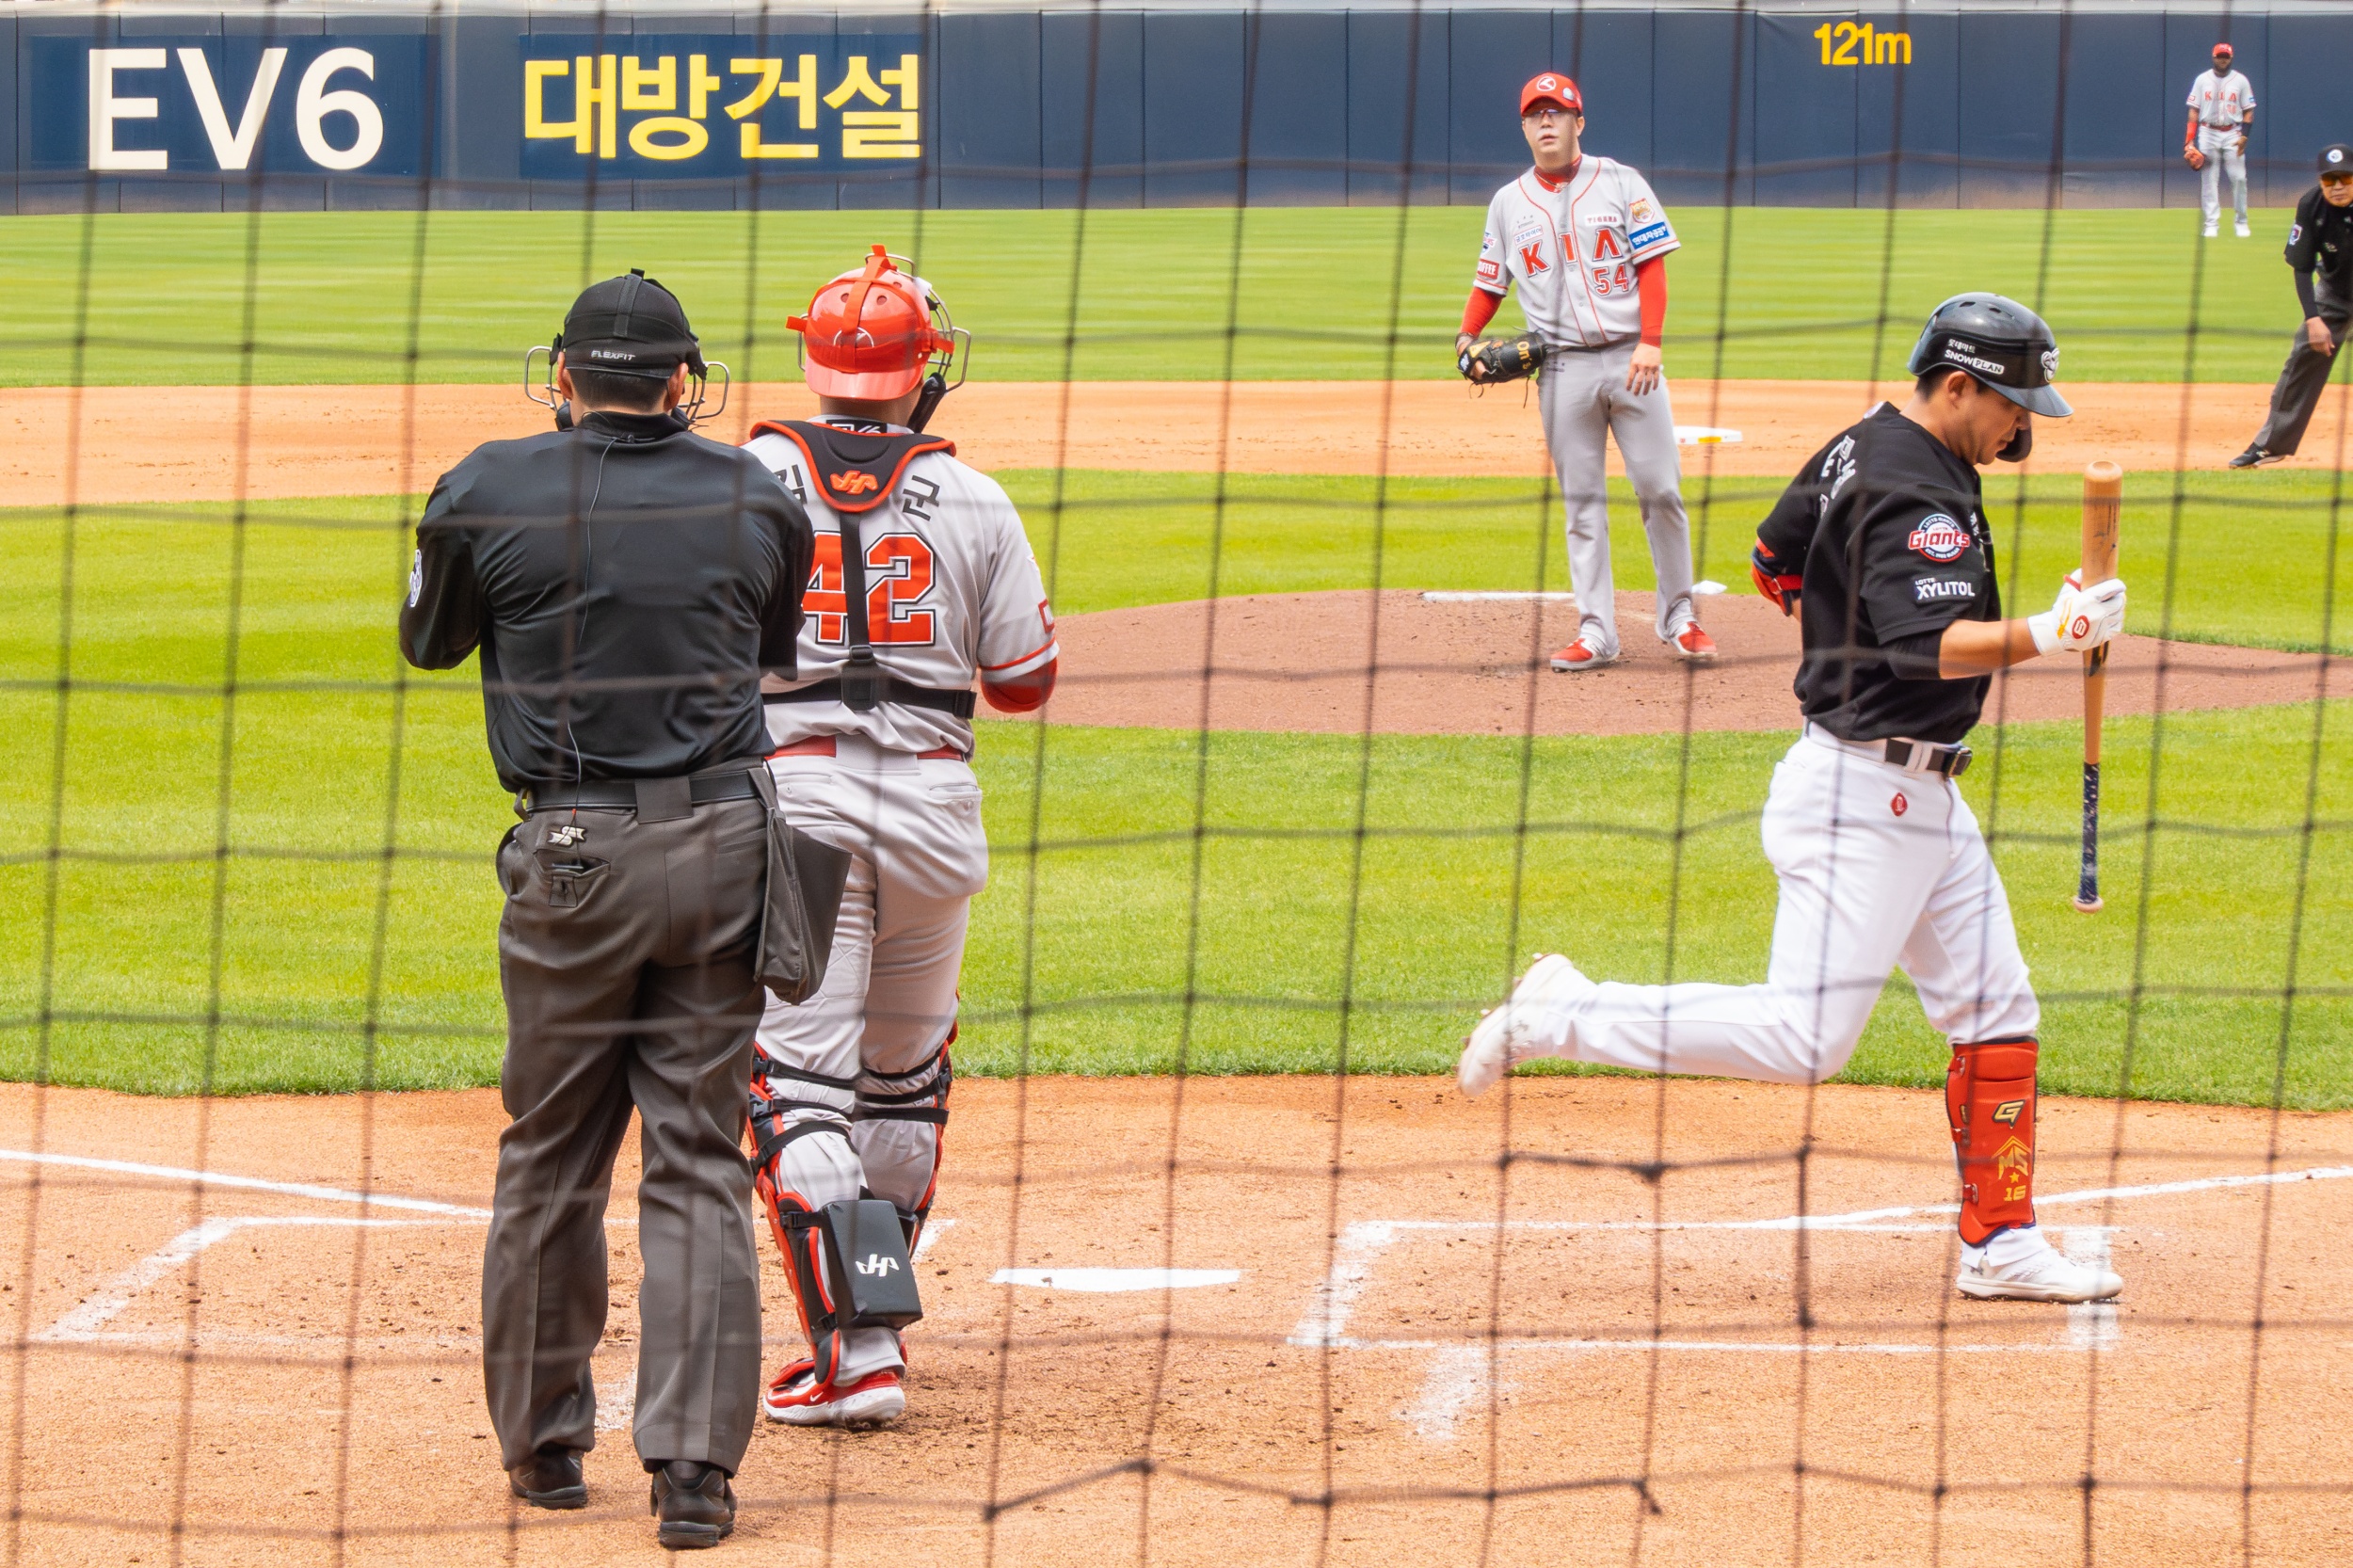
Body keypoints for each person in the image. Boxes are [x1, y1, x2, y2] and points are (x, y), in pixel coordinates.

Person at [1458, 295, 2131, 1307]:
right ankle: (1569, 1012)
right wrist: (2053, 632)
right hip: (1865, 797)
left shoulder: (1867, 442)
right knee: (1803, 1041)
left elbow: (1774, 560)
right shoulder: (1913, 489)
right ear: (1959, 387)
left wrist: (1841, 623)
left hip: (1918, 793)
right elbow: (1925, 647)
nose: (2021, 427)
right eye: (2011, 405)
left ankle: (2001, 1242)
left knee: (1997, 1009)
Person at [401, 272, 815, 1548]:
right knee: (696, 1154)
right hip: (726, 847)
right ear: (685, 380)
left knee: (551, 1153)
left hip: (571, 856)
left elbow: (429, 641)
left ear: (564, 375)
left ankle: (543, 1449)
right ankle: (693, 1472)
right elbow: (767, 648)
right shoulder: (756, 492)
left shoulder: (486, 483)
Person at [740, 247, 1058, 1427]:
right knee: (902, 1082)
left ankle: (857, 1350)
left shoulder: (744, 479)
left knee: (794, 1084)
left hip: (800, 809)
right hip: (933, 813)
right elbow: (1023, 681)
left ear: (814, 364)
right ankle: (871, 1319)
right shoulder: (975, 497)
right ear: (925, 370)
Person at [1458, 71, 1716, 672]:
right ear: (1525, 128)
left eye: (1557, 112)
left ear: (1579, 122)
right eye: (1535, 114)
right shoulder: (1507, 203)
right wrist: (1466, 337)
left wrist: (1651, 341)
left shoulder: (1621, 182)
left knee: (1662, 490)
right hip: (1561, 369)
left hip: (1632, 361)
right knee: (1581, 504)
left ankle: (1681, 617)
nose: (1546, 122)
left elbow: (1652, 266)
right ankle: (1597, 630)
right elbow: (1490, 283)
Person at [2232, 144, 2353, 469]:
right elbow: (2302, 266)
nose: (2337, 186)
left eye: (2345, 178)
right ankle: (2271, 445)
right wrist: (2313, 319)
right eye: (2329, 180)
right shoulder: (2311, 205)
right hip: (2336, 291)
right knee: (2303, 358)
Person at [2185, 43, 2257, 240]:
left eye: (2226, 56)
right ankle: (2211, 224)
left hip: (2233, 132)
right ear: (2213, 57)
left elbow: (2248, 111)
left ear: (2231, 58)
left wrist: (2244, 136)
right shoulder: (2202, 80)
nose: (2222, 59)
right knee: (2209, 179)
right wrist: (2189, 140)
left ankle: (2241, 222)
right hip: (2208, 132)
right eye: (2219, 56)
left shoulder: (2240, 80)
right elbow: (2194, 110)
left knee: (2239, 178)